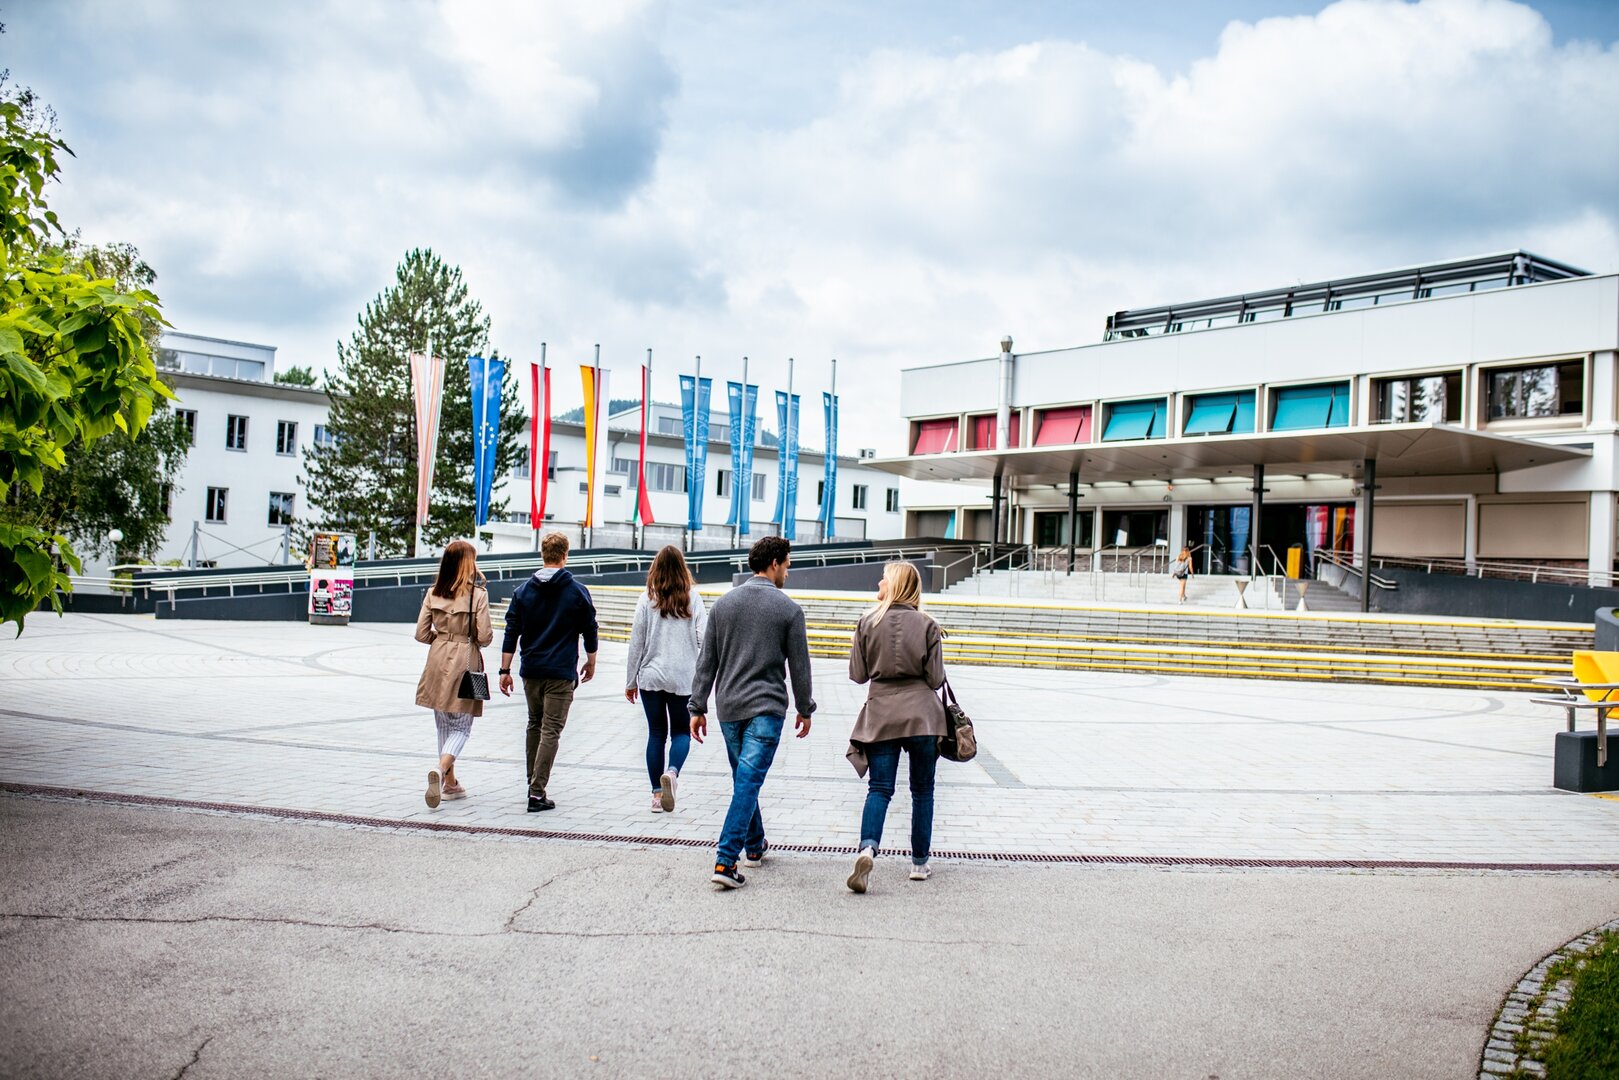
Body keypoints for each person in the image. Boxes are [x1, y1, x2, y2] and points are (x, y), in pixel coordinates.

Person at [689, 535, 815, 889]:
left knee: (745, 779)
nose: (788, 573)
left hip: (728, 707)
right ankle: (725, 861)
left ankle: (755, 845)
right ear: (774, 563)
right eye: (787, 565)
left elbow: (706, 662)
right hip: (766, 707)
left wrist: (697, 706)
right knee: (747, 781)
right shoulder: (789, 609)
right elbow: (800, 667)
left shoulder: (723, 605)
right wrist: (805, 708)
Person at [843, 561, 946, 893]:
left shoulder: (867, 622)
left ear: (895, 586)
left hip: (882, 714)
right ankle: (918, 864)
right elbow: (935, 678)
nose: (879, 582)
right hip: (922, 716)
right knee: (923, 791)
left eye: (884, 579)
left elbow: (858, 675)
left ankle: (867, 848)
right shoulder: (928, 625)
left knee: (880, 789)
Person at [498, 531, 599, 812]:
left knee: (534, 723)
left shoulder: (523, 592)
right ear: (565, 556)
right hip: (560, 671)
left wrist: (504, 669)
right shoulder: (577, 592)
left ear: (543, 555)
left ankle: (532, 783)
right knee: (551, 729)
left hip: (530, 670)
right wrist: (591, 660)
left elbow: (511, 632)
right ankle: (537, 792)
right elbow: (590, 628)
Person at [625, 545, 707, 814]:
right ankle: (672, 773)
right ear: (683, 569)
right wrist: (704, 678)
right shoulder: (693, 599)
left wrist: (630, 680)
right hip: (683, 678)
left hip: (651, 676)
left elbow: (636, 642)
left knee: (656, 734)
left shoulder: (646, 599)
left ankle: (657, 796)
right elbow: (703, 639)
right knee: (682, 732)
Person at [413, 540, 492, 809]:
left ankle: (449, 783)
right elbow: (484, 636)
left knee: (444, 724)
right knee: (461, 727)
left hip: (436, 658)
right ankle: (440, 768)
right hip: (464, 659)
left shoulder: (433, 591)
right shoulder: (477, 595)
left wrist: (442, 638)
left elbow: (421, 633)